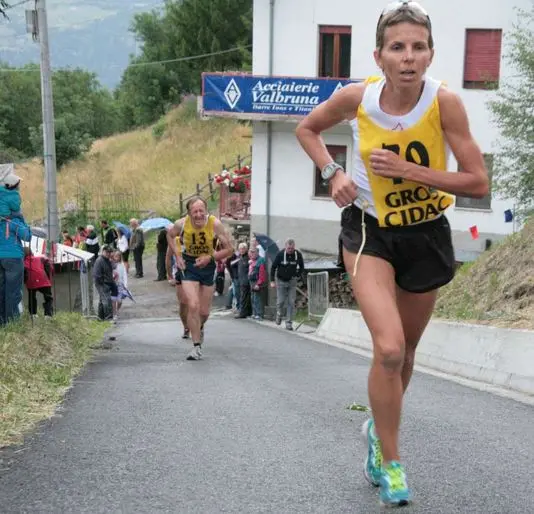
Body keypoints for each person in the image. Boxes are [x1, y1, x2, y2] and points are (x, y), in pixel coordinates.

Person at [295, 1, 489, 507]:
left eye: (418, 47)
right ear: (379, 55)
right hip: (368, 230)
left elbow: (476, 180)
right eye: (397, 47)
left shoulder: (445, 103)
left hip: (425, 233)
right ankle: (391, 460)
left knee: (407, 353)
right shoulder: (359, 98)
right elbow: (307, 130)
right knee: (389, 348)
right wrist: (331, 173)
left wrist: (410, 172)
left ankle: (378, 433)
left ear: (430, 55)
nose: (408, 57)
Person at [166, 196, 233, 360]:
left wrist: (210, 258)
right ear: (188, 213)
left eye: (201, 211)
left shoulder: (214, 224)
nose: (198, 215)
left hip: (208, 265)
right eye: (194, 212)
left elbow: (229, 250)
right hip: (189, 265)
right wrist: (178, 256)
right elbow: (170, 235)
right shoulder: (181, 224)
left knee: (204, 312)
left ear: (206, 211)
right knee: (193, 304)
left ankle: (199, 326)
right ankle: (196, 347)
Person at [0, 215, 32, 325]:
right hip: (13, 258)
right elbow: (27, 236)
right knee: (13, 291)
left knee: (1, 290)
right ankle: (12, 323)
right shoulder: (14, 221)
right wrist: (23, 222)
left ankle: (1, 322)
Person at [270, 238, 305, 331]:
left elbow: (302, 267)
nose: (290, 250)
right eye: (288, 248)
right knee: (280, 301)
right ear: (285, 247)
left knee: (291, 302)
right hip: (281, 281)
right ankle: (279, 314)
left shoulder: (298, 254)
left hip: (292, 281)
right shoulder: (280, 254)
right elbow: (273, 267)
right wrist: (272, 281)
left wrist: (298, 275)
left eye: (292, 248)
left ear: (294, 247)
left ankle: (289, 323)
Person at [166, 235, 190, 340]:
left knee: (194, 302)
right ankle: (186, 326)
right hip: (180, 273)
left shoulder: (195, 238)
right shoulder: (174, 241)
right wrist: (170, 276)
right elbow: (168, 258)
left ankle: (197, 325)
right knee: (183, 303)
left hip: (195, 272)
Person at [23, 247, 53, 318]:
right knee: (48, 298)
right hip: (43, 280)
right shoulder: (40, 258)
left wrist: (25, 281)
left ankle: (33, 314)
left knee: (31, 297)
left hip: (31, 282)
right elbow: (48, 265)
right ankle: (48, 315)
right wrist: (48, 277)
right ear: (32, 252)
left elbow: (23, 273)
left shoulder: (23, 262)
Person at [93, 245, 116, 321]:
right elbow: (97, 275)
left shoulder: (108, 260)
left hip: (107, 282)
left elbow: (113, 268)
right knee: (107, 300)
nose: (108, 253)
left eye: (109, 252)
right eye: (106, 252)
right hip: (101, 283)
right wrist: (103, 283)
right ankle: (108, 317)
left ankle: (101, 317)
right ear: (102, 251)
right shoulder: (99, 261)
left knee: (102, 300)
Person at [248, 247, 267, 320]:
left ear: (257, 252)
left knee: (257, 298)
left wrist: (258, 283)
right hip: (251, 281)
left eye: (253, 252)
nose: (252, 254)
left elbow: (262, 273)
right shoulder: (252, 260)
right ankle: (254, 313)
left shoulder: (261, 260)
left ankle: (259, 314)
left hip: (257, 281)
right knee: (253, 298)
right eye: (251, 252)